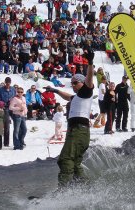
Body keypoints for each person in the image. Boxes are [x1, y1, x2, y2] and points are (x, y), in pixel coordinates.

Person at [44, 50, 94, 188]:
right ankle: (85, 189)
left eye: (75, 82)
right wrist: (55, 90)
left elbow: (89, 80)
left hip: (79, 131)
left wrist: (90, 63)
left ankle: (63, 191)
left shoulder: (86, 91)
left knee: (65, 159)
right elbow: (67, 96)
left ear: (82, 83)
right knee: (75, 162)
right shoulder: (77, 97)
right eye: (71, 83)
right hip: (78, 132)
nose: (72, 85)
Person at [0, 77, 16, 147]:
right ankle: (6, 142)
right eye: (7, 83)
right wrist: (3, 104)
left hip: (13, 108)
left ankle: (17, 141)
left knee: (17, 124)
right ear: (5, 82)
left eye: (9, 83)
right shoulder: (1, 90)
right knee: (7, 125)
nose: (8, 84)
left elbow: (15, 97)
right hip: (5, 108)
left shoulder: (13, 89)